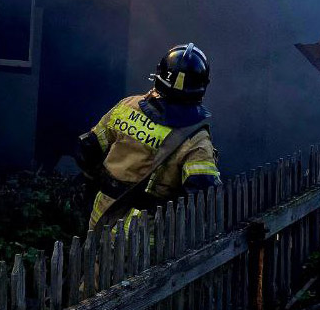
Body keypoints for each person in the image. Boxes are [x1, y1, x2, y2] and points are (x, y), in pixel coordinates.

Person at [76, 43, 221, 231]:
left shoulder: (127, 107)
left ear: (159, 75)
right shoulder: (196, 139)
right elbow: (205, 198)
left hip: (102, 220)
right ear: (202, 86)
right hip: (146, 241)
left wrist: (103, 185)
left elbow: (86, 150)